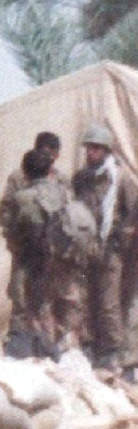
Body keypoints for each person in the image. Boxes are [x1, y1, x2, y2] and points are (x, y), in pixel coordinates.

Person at [71, 123, 138, 371]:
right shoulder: (81, 178)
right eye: (89, 148)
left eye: (96, 148)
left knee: (109, 302)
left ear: (107, 150)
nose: (91, 153)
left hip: (113, 248)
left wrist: (124, 237)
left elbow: (133, 213)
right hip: (86, 247)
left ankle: (113, 350)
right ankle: (91, 345)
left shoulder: (120, 179)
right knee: (86, 299)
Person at [0, 131, 68, 348]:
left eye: (50, 153)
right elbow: (5, 210)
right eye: (42, 152)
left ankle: (47, 342)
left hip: (52, 248)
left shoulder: (62, 180)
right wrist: (14, 233)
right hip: (25, 246)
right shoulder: (18, 178)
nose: (46, 157)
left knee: (49, 294)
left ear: (57, 155)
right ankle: (19, 338)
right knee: (20, 291)